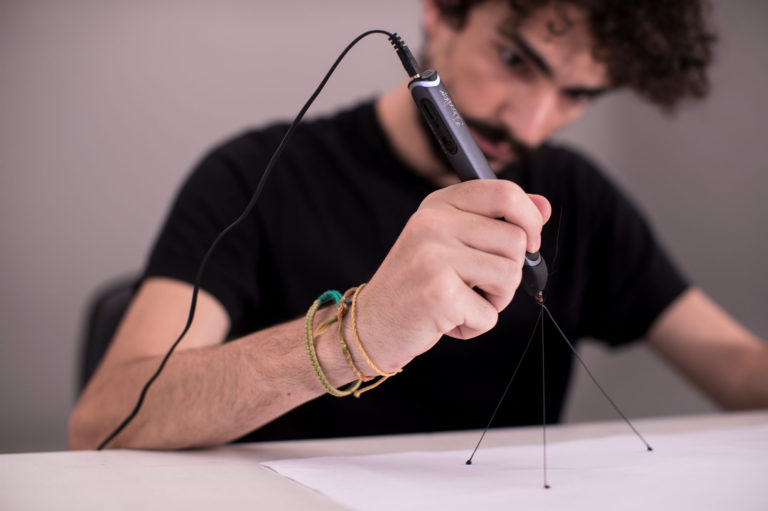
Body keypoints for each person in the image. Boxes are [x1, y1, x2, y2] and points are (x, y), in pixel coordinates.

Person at [69, 0, 768, 450]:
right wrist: (360, 333)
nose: (530, 123)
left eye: (576, 94)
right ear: (441, 13)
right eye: (515, 60)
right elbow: (105, 421)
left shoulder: (579, 196)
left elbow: (737, 368)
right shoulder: (252, 174)